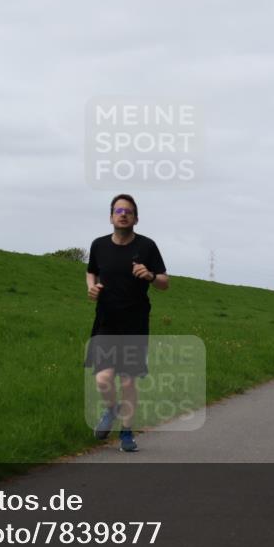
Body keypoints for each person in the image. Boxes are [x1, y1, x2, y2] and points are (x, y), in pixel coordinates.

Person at [86, 194, 168, 452]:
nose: (123, 215)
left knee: (128, 382)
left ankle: (126, 433)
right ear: (111, 216)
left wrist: (150, 275)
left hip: (135, 323)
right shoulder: (99, 245)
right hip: (106, 320)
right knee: (103, 379)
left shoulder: (147, 246)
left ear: (136, 218)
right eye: (118, 211)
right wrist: (91, 287)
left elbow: (165, 282)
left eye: (128, 211)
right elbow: (91, 271)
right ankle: (112, 409)